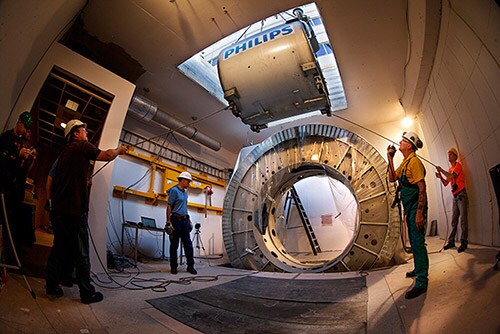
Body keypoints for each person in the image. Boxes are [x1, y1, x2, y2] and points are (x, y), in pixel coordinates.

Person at [45, 119, 128, 304]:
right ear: (75, 133)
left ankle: (53, 286)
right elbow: (106, 155)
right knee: (82, 253)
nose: (87, 134)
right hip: (74, 212)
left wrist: (51, 202)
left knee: (59, 248)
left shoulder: (64, 154)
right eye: (84, 130)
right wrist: (119, 150)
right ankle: (87, 293)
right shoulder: (81, 146)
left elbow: (50, 179)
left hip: (58, 210)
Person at [387, 131, 429, 299]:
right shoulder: (405, 162)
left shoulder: (415, 163)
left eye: (403, 141)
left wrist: (419, 213)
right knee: (413, 241)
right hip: (409, 207)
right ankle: (418, 269)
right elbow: (391, 178)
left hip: (415, 209)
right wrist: (390, 157)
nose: (399, 142)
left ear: (409, 145)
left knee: (418, 242)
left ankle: (422, 281)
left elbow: (422, 188)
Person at [0, 111, 35, 262]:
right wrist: (17, 154)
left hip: (14, 188)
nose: (25, 131)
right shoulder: (7, 137)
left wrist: (28, 159)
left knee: (12, 222)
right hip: (3, 186)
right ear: (19, 122)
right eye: (25, 127)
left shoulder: (21, 142)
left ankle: (9, 253)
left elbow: (21, 168)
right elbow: (3, 157)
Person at [435, 147, 468, 252]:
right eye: (448, 154)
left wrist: (441, 170)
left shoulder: (457, 166)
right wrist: (440, 177)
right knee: (454, 220)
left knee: (463, 219)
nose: (448, 156)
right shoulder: (450, 169)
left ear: (455, 156)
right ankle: (451, 241)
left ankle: (464, 242)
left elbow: (451, 176)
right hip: (455, 196)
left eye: (450, 154)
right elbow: (446, 183)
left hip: (461, 195)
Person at [165, 171, 197, 275]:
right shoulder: (174, 190)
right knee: (174, 244)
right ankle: (173, 267)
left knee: (188, 244)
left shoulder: (185, 192)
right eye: (188, 181)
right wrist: (168, 222)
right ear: (183, 180)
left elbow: (184, 207)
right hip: (176, 219)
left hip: (184, 219)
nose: (189, 184)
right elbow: (169, 206)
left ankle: (190, 266)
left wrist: (189, 220)